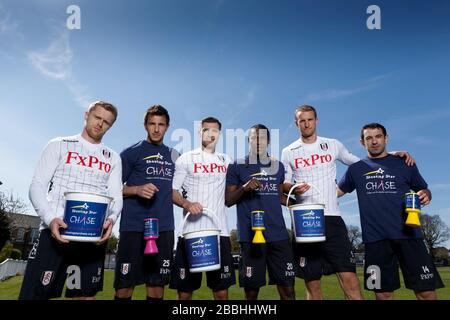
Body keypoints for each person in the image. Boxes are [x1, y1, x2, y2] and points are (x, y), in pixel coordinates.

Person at [281, 105, 414, 300]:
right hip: (305, 221)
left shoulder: (333, 144)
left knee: (350, 279)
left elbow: (360, 163)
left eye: (310, 119)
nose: (306, 123)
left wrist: (389, 156)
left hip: (333, 219)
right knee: (312, 284)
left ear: (316, 121)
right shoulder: (289, 151)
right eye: (302, 120)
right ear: (296, 123)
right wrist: (293, 187)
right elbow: (284, 184)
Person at [19, 101, 123, 300]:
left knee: (84, 296)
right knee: (34, 295)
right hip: (55, 231)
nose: (100, 124)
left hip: (91, 238)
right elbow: (37, 186)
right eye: (97, 117)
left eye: (106, 122)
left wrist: (112, 219)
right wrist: (50, 219)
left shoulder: (113, 157)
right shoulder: (59, 144)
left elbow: (117, 197)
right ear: (86, 115)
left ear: (111, 126)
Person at [337, 123, 444, 300]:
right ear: (362, 142)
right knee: (383, 294)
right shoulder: (355, 169)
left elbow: (424, 189)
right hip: (375, 241)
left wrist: (426, 194)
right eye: (369, 138)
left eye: (378, 136)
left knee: (427, 293)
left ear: (386, 139)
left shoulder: (405, 163)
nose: (374, 141)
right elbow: (334, 193)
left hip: (410, 236)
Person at [114, 105, 179, 301]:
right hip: (133, 227)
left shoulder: (176, 156)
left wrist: (188, 203)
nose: (156, 129)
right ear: (145, 125)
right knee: (125, 287)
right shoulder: (130, 153)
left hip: (164, 228)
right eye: (152, 124)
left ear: (167, 127)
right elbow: (111, 190)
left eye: (161, 124)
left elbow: (176, 191)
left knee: (157, 287)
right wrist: (136, 189)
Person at [225, 124, 295, 300]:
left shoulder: (277, 166)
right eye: (254, 137)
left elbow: (279, 196)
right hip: (251, 236)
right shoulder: (236, 166)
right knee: (251, 293)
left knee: (288, 291)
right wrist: (245, 187)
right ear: (249, 140)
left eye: (262, 137)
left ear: (268, 141)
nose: (258, 141)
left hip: (278, 235)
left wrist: (302, 203)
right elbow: (228, 200)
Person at [170, 117, 236, 300]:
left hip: (219, 232)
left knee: (221, 292)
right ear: (200, 132)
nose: (210, 134)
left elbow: (235, 188)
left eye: (214, 131)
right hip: (191, 232)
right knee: (184, 293)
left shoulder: (226, 160)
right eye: (206, 130)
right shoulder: (186, 158)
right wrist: (186, 204)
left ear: (219, 135)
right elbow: (172, 191)